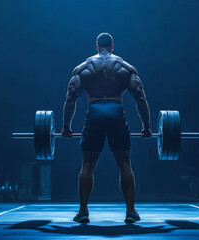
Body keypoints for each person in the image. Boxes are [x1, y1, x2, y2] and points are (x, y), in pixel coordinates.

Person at [61, 33, 151, 223]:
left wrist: (66, 127)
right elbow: (140, 98)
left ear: (96, 47)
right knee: (124, 163)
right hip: (115, 111)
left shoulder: (82, 68)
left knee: (88, 164)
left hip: (94, 112)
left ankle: (83, 211)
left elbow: (70, 99)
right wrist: (146, 127)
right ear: (112, 47)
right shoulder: (126, 67)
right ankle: (130, 212)